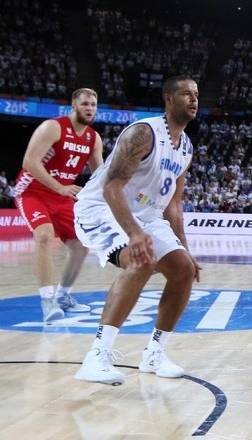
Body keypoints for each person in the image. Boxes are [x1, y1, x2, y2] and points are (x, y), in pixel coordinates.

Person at [72, 76, 201, 385]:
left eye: (196, 94)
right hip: (102, 208)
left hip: (147, 215)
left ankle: (154, 354)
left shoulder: (186, 147)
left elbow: (173, 206)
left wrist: (186, 250)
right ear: (169, 99)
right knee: (141, 259)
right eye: (186, 94)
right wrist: (133, 233)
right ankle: (96, 356)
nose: (194, 99)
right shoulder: (144, 133)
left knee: (183, 270)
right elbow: (112, 188)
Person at [14, 88, 104, 322]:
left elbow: (99, 176)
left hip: (62, 195)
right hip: (33, 191)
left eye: (93, 105)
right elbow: (29, 162)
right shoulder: (53, 127)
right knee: (44, 235)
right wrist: (60, 187)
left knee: (81, 245)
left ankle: (64, 296)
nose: (90, 108)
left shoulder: (93, 139)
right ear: (74, 106)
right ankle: (47, 300)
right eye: (85, 104)